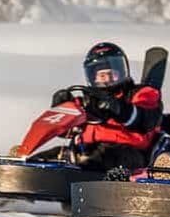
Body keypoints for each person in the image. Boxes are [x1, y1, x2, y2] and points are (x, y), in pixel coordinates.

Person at [39, 42, 163, 172]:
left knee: (101, 160)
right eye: (102, 75)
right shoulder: (88, 101)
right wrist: (61, 107)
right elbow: (65, 131)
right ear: (93, 77)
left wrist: (118, 108)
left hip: (127, 152)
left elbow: (146, 120)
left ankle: (85, 180)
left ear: (122, 72)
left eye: (112, 73)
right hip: (84, 150)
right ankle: (23, 167)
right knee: (47, 160)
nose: (107, 79)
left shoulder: (141, 93)